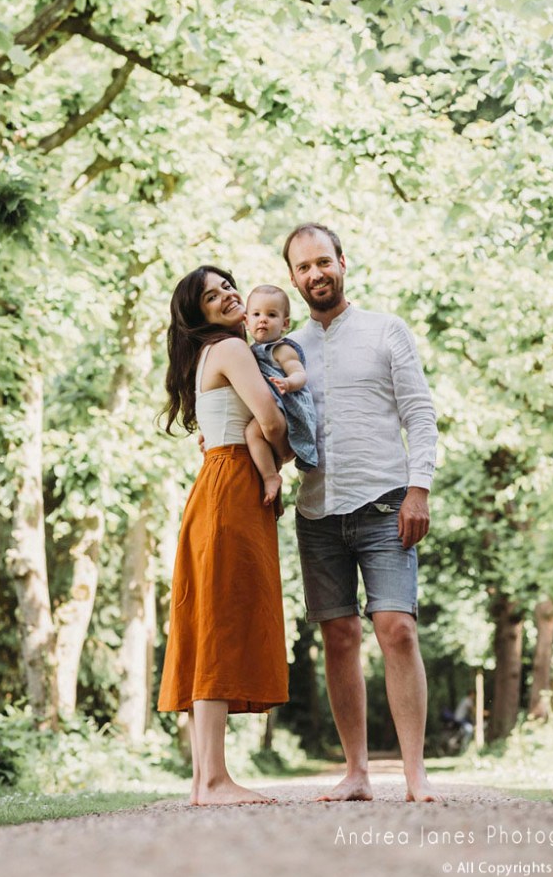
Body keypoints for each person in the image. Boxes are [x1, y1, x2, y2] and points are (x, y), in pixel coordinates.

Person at [283, 222, 440, 803]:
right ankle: (356, 774)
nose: (315, 274)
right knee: (340, 638)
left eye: (323, 262)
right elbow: (275, 426)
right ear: (293, 278)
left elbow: (419, 414)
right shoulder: (287, 346)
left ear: (342, 263)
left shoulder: (385, 331)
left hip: (385, 504)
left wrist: (418, 488)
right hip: (317, 511)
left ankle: (415, 774)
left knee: (396, 630)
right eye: (303, 267)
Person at [157, 265, 290, 806]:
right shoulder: (232, 351)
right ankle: (213, 781)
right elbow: (273, 422)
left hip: (215, 481)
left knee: (210, 619)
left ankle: (205, 779)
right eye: (212, 297)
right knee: (219, 621)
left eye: (227, 285)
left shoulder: (211, 355)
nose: (227, 296)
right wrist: (277, 460)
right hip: (233, 484)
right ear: (200, 315)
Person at [244, 284, 318, 510]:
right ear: (246, 321)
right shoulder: (247, 350)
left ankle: (271, 477)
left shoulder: (282, 349)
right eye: (256, 314)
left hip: (290, 406)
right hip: (274, 407)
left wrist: (288, 382)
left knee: (253, 432)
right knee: (256, 437)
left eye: (271, 315)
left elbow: (299, 374)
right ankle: (271, 486)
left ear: (285, 324)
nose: (263, 320)